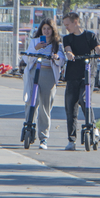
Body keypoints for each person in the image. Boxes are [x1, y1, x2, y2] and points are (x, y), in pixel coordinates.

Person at [62, 12, 100, 151]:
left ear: (76, 22)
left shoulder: (90, 36)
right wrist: (69, 54)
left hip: (88, 75)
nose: (66, 27)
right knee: (70, 108)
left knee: (84, 100)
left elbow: (98, 47)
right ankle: (71, 140)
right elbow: (68, 49)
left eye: (68, 24)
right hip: (72, 76)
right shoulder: (67, 38)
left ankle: (93, 128)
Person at [23, 19, 65, 149]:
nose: (46, 31)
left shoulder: (57, 44)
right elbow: (26, 58)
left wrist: (57, 57)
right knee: (31, 103)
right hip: (34, 74)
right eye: (44, 29)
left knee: (45, 107)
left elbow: (62, 60)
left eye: (49, 29)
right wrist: (36, 49)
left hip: (48, 75)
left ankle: (43, 137)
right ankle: (29, 126)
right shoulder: (35, 42)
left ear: (53, 30)